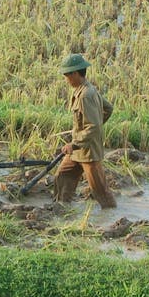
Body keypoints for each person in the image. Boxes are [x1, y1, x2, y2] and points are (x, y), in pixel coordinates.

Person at [53, 53, 116, 208]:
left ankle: (112, 216)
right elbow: (107, 108)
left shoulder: (86, 95)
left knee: (100, 190)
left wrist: (75, 143)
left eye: (67, 75)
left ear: (75, 74)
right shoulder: (84, 89)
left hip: (88, 153)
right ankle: (61, 208)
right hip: (78, 150)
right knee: (63, 176)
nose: (65, 79)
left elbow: (93, 126)